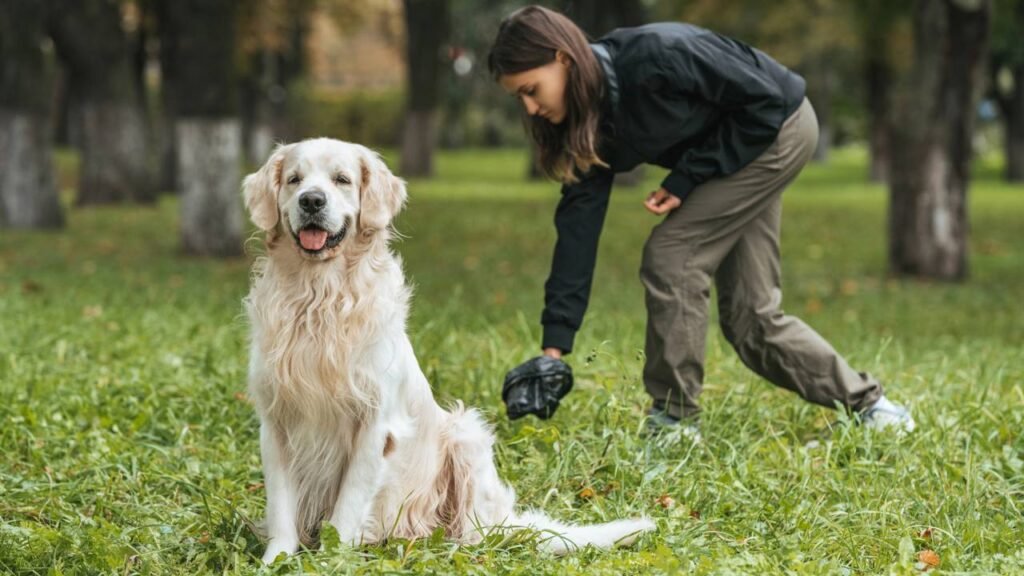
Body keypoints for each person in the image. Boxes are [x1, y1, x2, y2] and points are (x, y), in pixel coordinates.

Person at [489, 5, 914, 438]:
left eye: (531, 89)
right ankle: (874, 408)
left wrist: (687, 178)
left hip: (777, 128)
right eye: (518, 98)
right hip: (738, 148)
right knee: (752, 318)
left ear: (563, 59)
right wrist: (553, 352)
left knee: (672, 256)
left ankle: (673, 422)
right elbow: (577, 231)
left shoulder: (658, 56)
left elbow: (765, 102)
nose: (530, 107)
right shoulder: (587, 123)